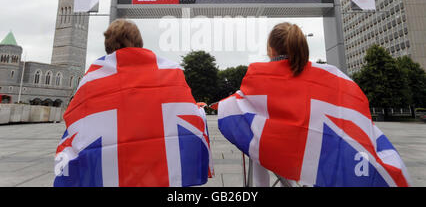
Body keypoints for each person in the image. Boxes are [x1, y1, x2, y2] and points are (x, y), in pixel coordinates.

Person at [217, 22, 411, 187]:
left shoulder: (258, 77)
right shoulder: (330, 75)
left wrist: (221, 105)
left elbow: (240, 105)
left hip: (277, 149)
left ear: (271, 49)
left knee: (258, 137)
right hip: (321, 154)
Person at [54, 19, 213, 187]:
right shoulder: (171, 71)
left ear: (108, 46)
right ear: (139, 42)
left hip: (113, 170)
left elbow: (75, 121)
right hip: (160, 168)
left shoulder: (93, 78)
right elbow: (190, 117)